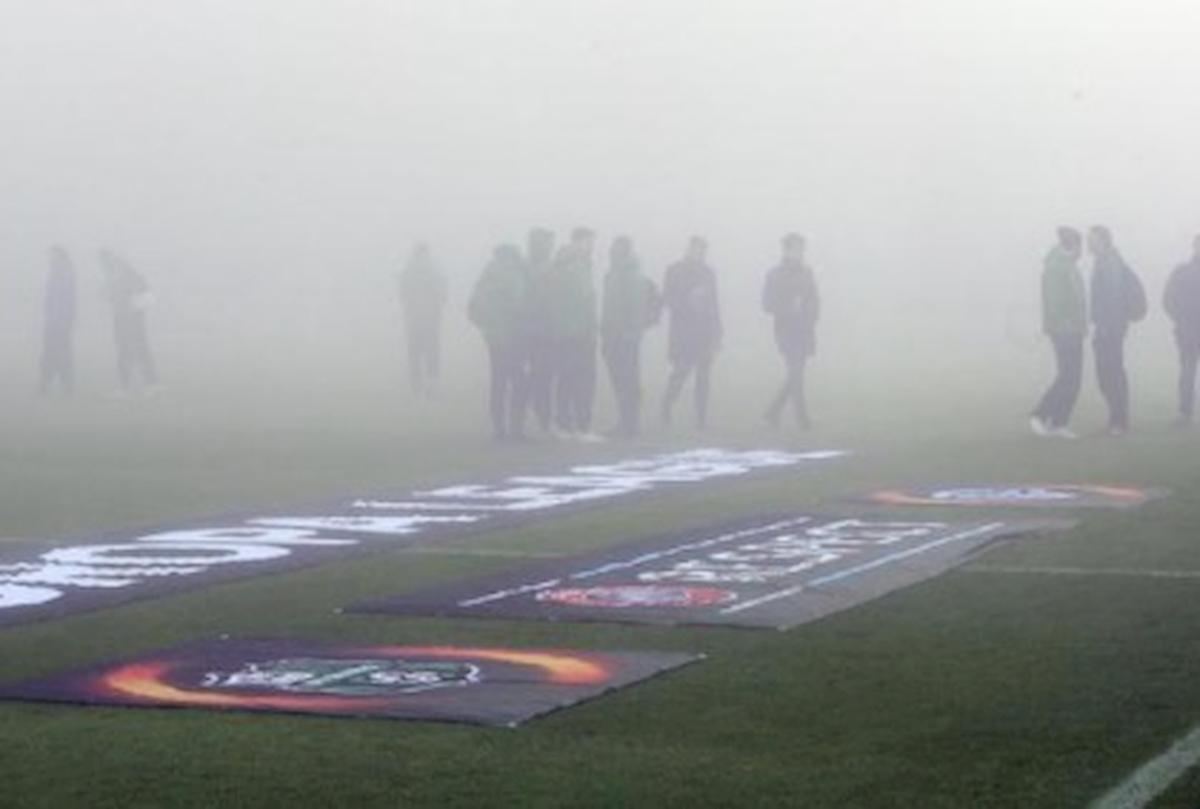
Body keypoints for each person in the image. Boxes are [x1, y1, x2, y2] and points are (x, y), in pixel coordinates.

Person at [468, 244, 531, 442]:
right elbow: (519, 305)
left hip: (494, 338)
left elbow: (473, 308)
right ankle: (517, 428)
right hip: (513, 336)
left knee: (499, 382)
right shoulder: (515, 274)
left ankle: (499, 429)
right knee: (520, 381)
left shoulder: (487, 275)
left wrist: (487, 327)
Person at [1088, 226, 1146, 436]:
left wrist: (1106, 327)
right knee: (1107, 373)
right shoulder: (1103, 261)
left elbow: (1112, 299)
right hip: (1107, 327)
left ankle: (1119, 421)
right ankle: (1116, 417)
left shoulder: (1111, 263)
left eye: (1092, 239)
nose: (1088, 243)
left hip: (1111, 328)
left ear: (1103, 241)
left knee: (1112, 373)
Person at [601, 236, 661, 437]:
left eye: (615, 250)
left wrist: (630, 331)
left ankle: (629, 423)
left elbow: (632, 309)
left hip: (624, 337)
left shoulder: (629, 276)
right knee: (624, 379)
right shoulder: (615, 275)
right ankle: (627, 421)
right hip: (617, 336)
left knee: (627, 379)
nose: (612, 253)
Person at [1031, 227, 1087, 438]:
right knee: (1069, 376)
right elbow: (1056, 303)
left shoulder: (1067, 266)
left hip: (1073, 330)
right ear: (1072, 245)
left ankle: (1057, 422)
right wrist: (1070, 324)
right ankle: (1042, 414)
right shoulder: (1057, 267)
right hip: (1065, 331)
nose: (1082, 251)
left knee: (1072, 377)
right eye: (1080, 246)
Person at [661, 236, 722, 429]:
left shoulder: (708, 273)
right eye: (696, 248)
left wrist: (718, 332)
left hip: (705, 332)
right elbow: (668, 299)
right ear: (688, 248)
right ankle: (667, 405)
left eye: (702, 250)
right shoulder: (675, 270)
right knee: (681, 372)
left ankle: (701, 419)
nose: (699, 253)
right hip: (684, 331)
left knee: (704, 377)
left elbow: (714, 304)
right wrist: (688, 301)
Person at [547, 227, 601, 441]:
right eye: (590, 241)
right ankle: (583, 427)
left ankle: (562, 424)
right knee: (584, 380)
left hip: (562, 332)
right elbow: (585, 301)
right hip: (580, 334)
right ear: (580, 242)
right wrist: (591, 329)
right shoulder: (578, 267)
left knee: (565, 379)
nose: (592, 247)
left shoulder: (559, 266)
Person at [762, 233, 819, 430]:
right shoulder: (774, 274)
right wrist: (788, 307)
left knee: (796, 373)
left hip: (804, 329)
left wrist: (809, 314)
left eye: (801, 249)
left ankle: (773, 412)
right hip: (785, 329)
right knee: (796, 372)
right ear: (786, 250)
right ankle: (802, 419)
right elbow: (767, 304)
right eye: (795, 249)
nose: (799, 253)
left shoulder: (807, 273)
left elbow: (814, 299)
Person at [101, 249, 160, 395]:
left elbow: (140, 293)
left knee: (138, 349)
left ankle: (149, 383)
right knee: (126, 350)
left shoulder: (127, 274)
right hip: (122, 317)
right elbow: (110, 294)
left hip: (131, 318)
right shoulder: (115, 275)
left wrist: (126, 303)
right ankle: (128, 384)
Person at [397, 243, 447, 397]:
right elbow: (443, 294)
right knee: (432, 350)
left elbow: (402, 293)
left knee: (414, 352)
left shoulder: (408, 271)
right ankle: (431, 385)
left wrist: (410, 306)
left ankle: (416, 385)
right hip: (431, 317)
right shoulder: (435, 271)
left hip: (414, 317)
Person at [1163, 234, 1200, 427]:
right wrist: (1181, 319)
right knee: (1187, 371)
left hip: (1186, 330)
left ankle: (1185, 413)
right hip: (1188, 330)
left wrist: (1180, 319)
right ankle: (1185, 412)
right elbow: (1169, 300)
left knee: (1187, 370)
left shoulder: (1182, 272)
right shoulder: (1182, 272)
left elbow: (1168, 300)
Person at [523, 228, 558, 434]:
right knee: (542, 374)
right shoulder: (540, 270)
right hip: (541, 330)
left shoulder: (530, 268)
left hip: (538, 329)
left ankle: (540, 415)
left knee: (541, 373)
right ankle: (543, 417)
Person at [39, 246, 77, 396]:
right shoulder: (56, 273)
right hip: (54, 320)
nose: (50, 258)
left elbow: (67, 299)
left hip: (60, 321)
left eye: (53, 255)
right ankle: (48, 384)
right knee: (51, 352)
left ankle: (62, 384)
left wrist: (65, 318)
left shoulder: (64, 274)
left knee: (59, 352)